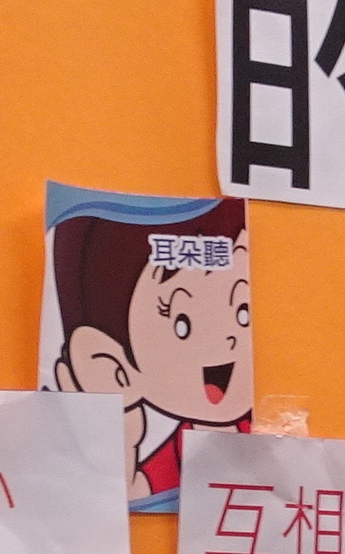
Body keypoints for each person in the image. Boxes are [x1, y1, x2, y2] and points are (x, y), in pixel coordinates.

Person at [46, 197, 251, 503]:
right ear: (112, 366)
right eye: (183, 324)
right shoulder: (175, 461)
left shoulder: (259, 430)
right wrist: (121, 432)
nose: (229, 337)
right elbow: (131, 493)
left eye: (243, 312)